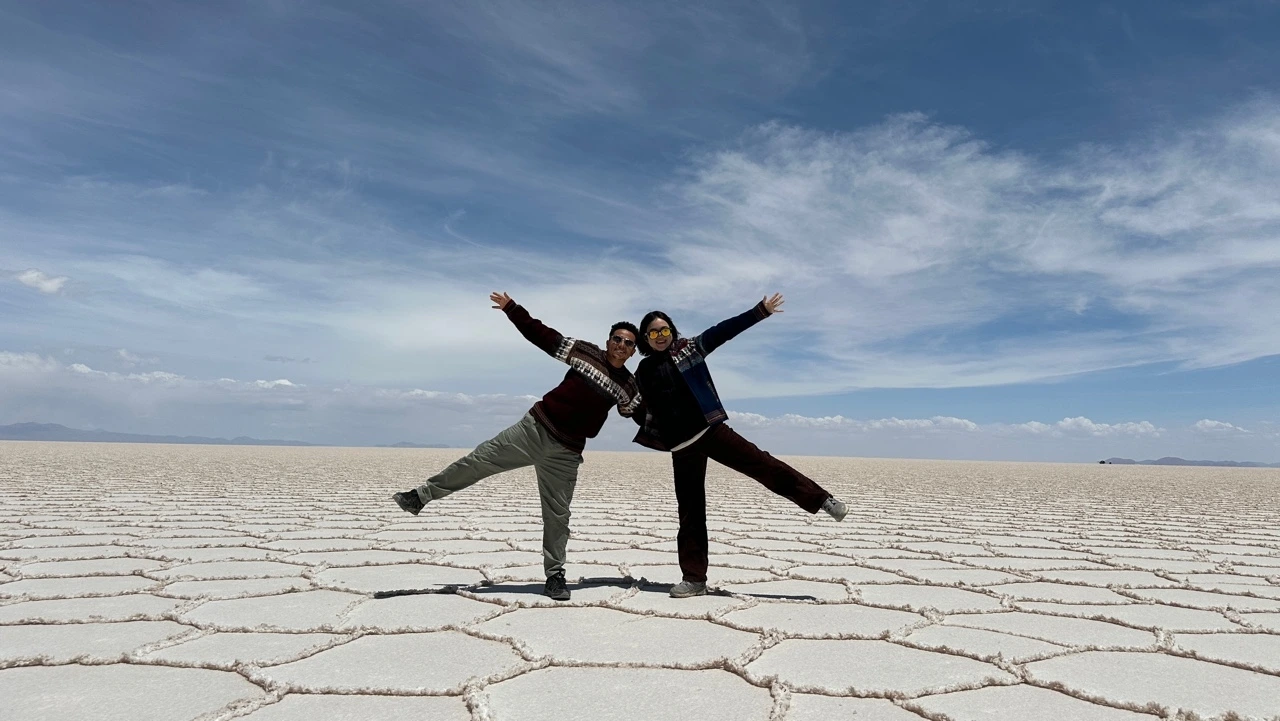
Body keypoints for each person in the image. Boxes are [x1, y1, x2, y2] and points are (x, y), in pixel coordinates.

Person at [393, 291, 641, 601]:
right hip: (533, 431)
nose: (621, 345)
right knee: (477, 461)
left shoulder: (628, 386)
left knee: (557, 515)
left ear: (634, 351)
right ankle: (419, 497)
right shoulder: (585, 352)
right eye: (617, 339)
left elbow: (638, 412)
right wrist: (512, 309)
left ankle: (555, 577)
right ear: (608, 341)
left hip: (566, 452)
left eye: (628, 343)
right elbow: (544, 336)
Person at [632, 293, 847, 598]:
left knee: (761, 464)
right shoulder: (643, 371)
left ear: (672, 331)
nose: (660, 336)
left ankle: (822, 499)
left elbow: (723, 331)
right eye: (653, 333)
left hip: (710, 431)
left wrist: (760, 311)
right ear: (646, 338)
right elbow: (638, 408)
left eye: (664, 330)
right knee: (690, 512)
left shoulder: (689, 349)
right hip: (681, 446)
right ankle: (694, 579)